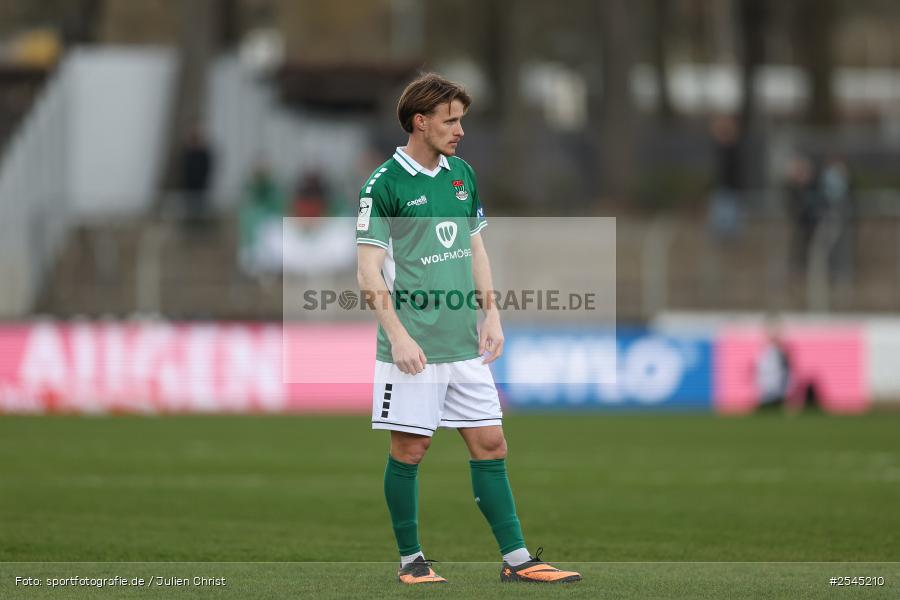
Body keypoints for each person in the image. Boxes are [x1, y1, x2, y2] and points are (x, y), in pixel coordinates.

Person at [355, 73, 581, 585]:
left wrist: (492, 314)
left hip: (463, 346)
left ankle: (518, 560)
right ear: (421, 121)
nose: (460, 130)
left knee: (491, 444)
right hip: (412, 346)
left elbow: (475, 249)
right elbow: (367, 272)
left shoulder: (462, 175)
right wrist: (399, 335)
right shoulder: (384, 184)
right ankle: (411, 561)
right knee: (410, 450)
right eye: (450, 120)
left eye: (462, 120)